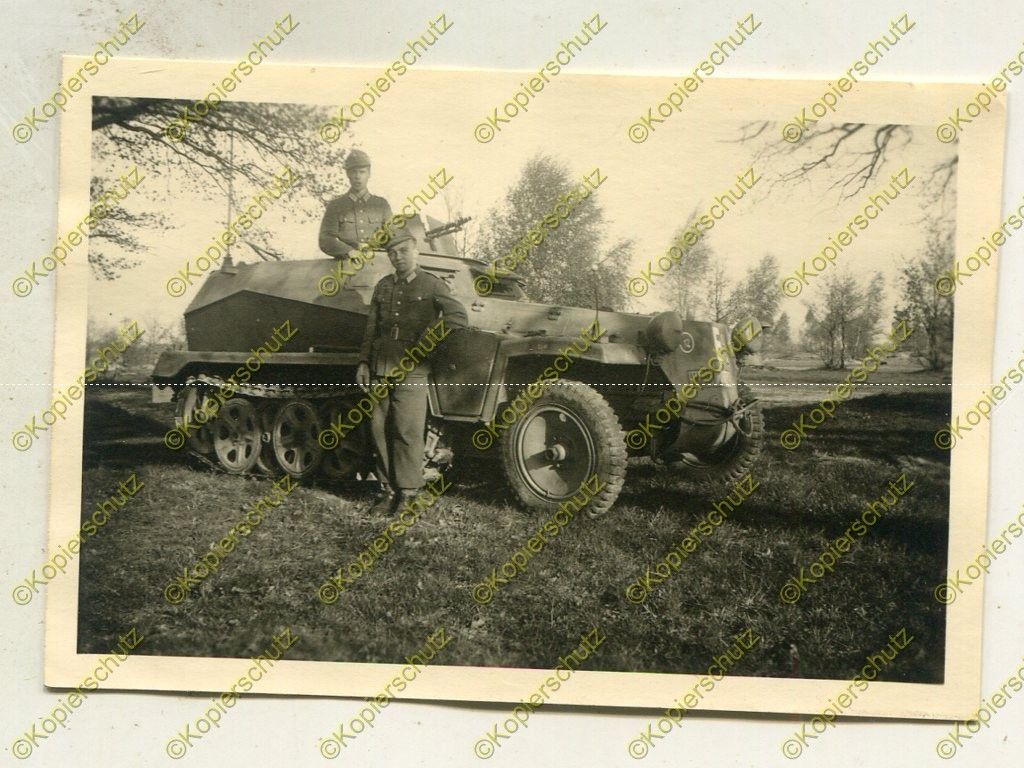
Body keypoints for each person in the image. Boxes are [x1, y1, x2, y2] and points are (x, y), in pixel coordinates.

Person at [357, 228, 468, 514]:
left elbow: (457, 316)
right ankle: (386, 490)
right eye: (392, 253)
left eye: (403, 251)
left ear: (415, 251)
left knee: (407, 429)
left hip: (413, 368)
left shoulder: (431, 284)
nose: (398, 257)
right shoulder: (383, 286)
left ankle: (408, 493)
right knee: (379, 429)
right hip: (381, 365)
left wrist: (426, 343)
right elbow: (371, 328)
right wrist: (364, 363)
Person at [318, 149, 393, 259]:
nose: (358, 176)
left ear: (369, 174)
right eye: (354, 172)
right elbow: (325, 239)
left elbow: (393, 235)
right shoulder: (335, 206)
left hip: (379, 264)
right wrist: (348, 251)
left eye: (362, 172)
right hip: (346, 264)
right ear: (348, 174)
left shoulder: (381, 205)